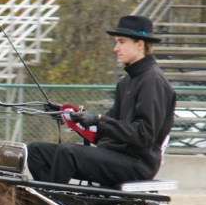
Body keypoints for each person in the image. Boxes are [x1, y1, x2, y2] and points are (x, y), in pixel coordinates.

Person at [26, 15, 177, 186]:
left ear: (140, 44)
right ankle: (51, 201)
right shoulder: (126, 83)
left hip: (136, 164)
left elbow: (144, 135)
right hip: (115, 155)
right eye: (116, 42)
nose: (115, 48)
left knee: (68, 152)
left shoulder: (152, 80)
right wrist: (72, 117)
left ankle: (51, 204)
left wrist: (99, 120)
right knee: (36, 150)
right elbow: (108, 130)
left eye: (121, 42)